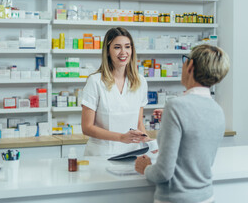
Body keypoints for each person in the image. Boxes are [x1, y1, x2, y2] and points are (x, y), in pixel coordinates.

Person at [135, 44, 230, 203]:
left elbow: (163, 173)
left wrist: (145, 168)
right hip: (207, 197)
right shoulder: (217, 110)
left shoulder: (176, 106)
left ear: (190, 65)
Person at [81, 27, 149, 156]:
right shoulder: (95, 81)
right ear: (107, 51)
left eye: (127, 47)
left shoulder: (140, 82)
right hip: (102, 154)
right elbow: (87, 128)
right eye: (117, 47)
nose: (123, 52)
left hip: (132, 153)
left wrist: (147, 141)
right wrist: (121, 138)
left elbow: (139, 123)